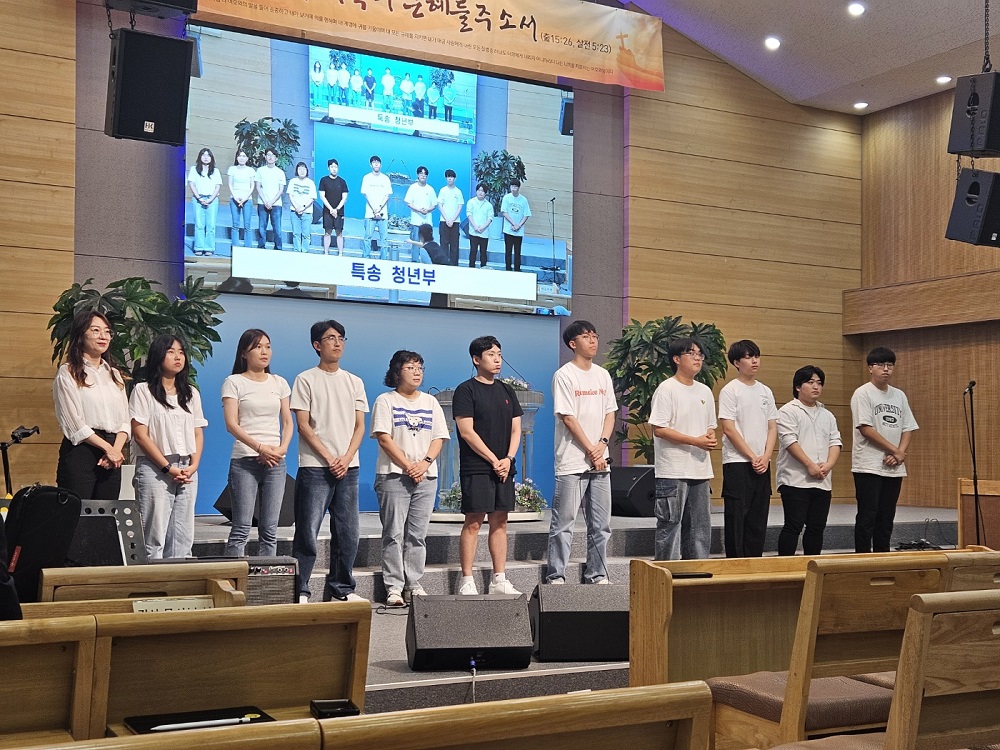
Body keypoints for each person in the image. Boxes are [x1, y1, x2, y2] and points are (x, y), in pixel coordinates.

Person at [291, 320, 369, 602]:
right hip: (315, 466)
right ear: (317, 345)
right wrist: (329, 457)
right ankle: (300, 589)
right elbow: (303, 425)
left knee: (348, 532)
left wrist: (345, 459)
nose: (337, 343)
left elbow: (360, 426)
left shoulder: (354, 381)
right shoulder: (305, 379)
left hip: (348, 467)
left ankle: (342, 588)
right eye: (330, 338)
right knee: (307, 532)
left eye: (341, 338)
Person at [371, 350, 449, 606]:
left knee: (417, 535)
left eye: (420, 368)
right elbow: (384, 438)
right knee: (393, 533)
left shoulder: (430, 402)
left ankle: (413, 583)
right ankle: (394, 587)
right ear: (397, 372)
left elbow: (439, 437)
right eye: (410, 367)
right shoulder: (386, 400)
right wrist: (408, 466)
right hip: (394, 476)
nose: (417, 372)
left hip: (426, 477)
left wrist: (424, 464)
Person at [545, 321, 617, 584]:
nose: (593, 340)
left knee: (601, 524)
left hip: (600, 461)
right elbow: (568, 418)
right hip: (572, 461)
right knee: (564, 523)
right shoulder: (564, 375)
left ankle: (597, 574)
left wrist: (602, 444)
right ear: (573, 343)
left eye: (595, 336)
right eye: (586, 337)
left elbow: (610, 413)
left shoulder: (603, 374)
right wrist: (591, 450)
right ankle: (556, 575)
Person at [453, 336, 523, 595]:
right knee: (474, 521)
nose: (497, 360)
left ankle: (499, 579)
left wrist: (508, 459)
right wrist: (494, 460)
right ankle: (467, 580)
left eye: (499, 355)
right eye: (491, 355)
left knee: (500, 521)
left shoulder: (507, 390)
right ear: (476, 359)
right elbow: (467, 432)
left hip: (504, 466)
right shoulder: (466, 390)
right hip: (478, 466)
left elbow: (516, 429)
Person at [129, 334, 206, 559]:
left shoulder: (191, 393)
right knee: (153, 538)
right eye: (171, 352)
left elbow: (197, 432)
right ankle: (152, 580)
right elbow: (140, 435)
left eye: (181, 352)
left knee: (182, 538)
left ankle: (179, 580)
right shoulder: (143, 391)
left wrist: (193, 466)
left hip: (187, 468)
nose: (178, 357)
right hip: (155, 468)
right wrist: (167, 468)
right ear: (158, 356)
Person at [221, 329, 293, 557]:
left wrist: (281, 449)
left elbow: (287, 422)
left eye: (268, 346)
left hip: (276, 462)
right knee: (241, 528)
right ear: (244, 353)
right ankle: (233, 576)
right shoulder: (234, 382)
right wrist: (260, 448)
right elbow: (231, 424)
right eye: (258, 347)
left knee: (270, 530)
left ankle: (267, 576)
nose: (264, 352)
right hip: (245, 461)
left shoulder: (279, 382)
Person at [648, 337, 717, 560]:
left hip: (700, 469)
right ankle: (665, 574)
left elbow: (710, 426)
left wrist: (709, 437)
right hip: (673, 470)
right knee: (670, 525)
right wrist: (696, 441)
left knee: (700, 528)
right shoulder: (666, 389)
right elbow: (659, 429)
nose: (698, 358)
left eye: (700, 354)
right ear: (676, 359)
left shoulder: (705, 391)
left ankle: (696, 574)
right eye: (691, 353)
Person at [53, 310, 129, 500]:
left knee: (106, 513)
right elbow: (74, 424)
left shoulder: (114, 374)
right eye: (95, 330)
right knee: (77, 511)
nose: (103, 336)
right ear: (81, 335)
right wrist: (108, 449)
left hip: (113, 450)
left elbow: (125, 421)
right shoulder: (68, 372)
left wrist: (115, 450)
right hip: (82, 449)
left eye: (107, 331)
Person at [851, 347, 919, 553]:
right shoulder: (862, 393)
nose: (886, 369)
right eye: (881, 365)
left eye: (890, 365)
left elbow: (908, 427)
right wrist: (895, 451)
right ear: (870, 368)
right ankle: (862, 558)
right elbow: (865, 429)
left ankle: (883, 557)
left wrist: (899, 453)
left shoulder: (899, 395)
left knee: (887, 516)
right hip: (868, 465)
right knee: (868, 515)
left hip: (893, 467)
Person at [717, 339, 778, 558]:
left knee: (758, 519)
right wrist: (752, 456)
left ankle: (755, 564)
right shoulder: (730, 390)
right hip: (737, 462)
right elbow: (729, 428)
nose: (754, 361)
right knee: (736, 518)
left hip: (762, 463)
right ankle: (735, 566)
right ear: (736, 362)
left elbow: (772, 427)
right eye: (748, 357)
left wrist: (766, 456)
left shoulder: (765, 391)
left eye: (757, 356)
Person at [776, 365, 842, 556]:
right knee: (793, 525)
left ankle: (812, 567)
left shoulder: (827, 414)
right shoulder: (788, 411)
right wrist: (810, 465)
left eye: (819, 383)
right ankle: (786, 568)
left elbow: (835, 441)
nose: (816, 387)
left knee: (817, 527)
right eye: (810, 382)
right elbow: (789, 441)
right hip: (795, 479)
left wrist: (828, 465)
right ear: (798, 386)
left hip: (822, 480)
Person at [188, 147, 222, 256]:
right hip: (198, 199)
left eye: (208, 155)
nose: (206, 157)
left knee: (211, 225)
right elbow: (192, 184)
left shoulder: (215, 171)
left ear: (211, 158)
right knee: (199, 224)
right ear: (200, 157)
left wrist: (210, 199)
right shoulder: (194, 169)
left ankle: (209, 248)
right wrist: (199, 198)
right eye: (204, 155)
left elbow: (218, 186)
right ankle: (199, 247)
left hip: (212, 199)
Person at [410, 223, 449, 309]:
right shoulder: (435, 245)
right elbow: (425, 245)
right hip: (446, 276)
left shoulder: (423, 250)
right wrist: (412, 242)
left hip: (438, 279)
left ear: (421, 236)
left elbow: (429, 268)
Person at [360, 154, 392, 258]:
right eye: (374, 162)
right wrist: (374, 208)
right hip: (370, 213)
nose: (376, 164)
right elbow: (366, 194)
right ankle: (366, 257)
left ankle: (383, 259)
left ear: (381, 165)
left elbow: (387, 195)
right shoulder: (366, 177)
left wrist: (379, 207)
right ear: (371, 165)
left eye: (378, 162)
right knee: (368, 237)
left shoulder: (385, 178)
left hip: (383, 214)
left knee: (384, 238)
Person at [255, 147, 286, 250]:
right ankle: (261, 247)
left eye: (273, 155)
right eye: (268, 155)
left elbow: (281, 190)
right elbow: (258, 187)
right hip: (262, 202)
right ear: (265, 156)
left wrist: (271, 202)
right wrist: (265, 201)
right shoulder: (260, 170)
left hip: (276, 204)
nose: (270, 157)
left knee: (277, 228)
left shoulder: (280, 172)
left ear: (276, 158)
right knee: (261, 227)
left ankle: (278, 248)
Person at [319, 158, 349, 255]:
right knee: (327, 232)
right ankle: (326, 253)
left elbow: (344, 198)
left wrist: (337, 209)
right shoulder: (324, 180)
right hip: (327, 211)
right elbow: (322, 196)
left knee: (339, 232)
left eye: (336, 167)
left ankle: (340, 253)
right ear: (328, 168)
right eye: (332, 167)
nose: (334, 169)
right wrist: (331, 209)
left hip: (339, 212)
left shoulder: (342, 181)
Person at [500, 179, 531, 271]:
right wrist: (513, 224)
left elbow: (526, 214)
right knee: (508, 251)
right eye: (512, 187)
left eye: (515, 187)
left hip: (519, 231)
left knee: (517, 252)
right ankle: (508, 270)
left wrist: (519, 225)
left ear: (518, 188)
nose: (513, 189)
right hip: (508, 229)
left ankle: (517, 270)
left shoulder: (523, 200)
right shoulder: (506, 198)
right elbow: (504, 212)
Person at [287, 161, 317, 253]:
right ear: (297, 170)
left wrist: (303, 207)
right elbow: (290, 195)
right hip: (294, 211)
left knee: (306, 234)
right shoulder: (293, 181)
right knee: (296, 233)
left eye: (304, 169)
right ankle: (297, 251)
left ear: (307, 171)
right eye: (300, 169)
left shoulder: (311, 183)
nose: (302, 171)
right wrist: (296, 207)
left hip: (307, 212)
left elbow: (312, 198)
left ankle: (305, 251)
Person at [228, 149, 256, 248]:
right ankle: (235, 247)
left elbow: (252, 186)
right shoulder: (232, 169)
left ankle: (248, 248)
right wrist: (235, 197)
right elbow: (230, 184)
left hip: (247, 199)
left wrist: (245, 198)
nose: (242, 158)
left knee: (247, 225)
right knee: (235, 225)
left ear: (247, 158)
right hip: (234, 199)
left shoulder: (251, 170)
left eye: (244, 156)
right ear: (237, 157)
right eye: (240, 156)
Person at [437, 168, 464, 265]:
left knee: (454, 246)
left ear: (455, 179)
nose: (450, 179)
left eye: (452, 177)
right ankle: (443, 265)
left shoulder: (458, 192)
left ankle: (454, 266)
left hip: (455, 222)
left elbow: (460, 206)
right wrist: (447, 219)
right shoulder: (443, 190)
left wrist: (452, 219)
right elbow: (440, 205)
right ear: (446, 178)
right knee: (443, 245)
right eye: (448, 177)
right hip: (444, 221)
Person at [404, 166, 436, 245]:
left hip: (427, 223)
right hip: (415, 222)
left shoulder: (430, 189)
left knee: (428, 246)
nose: (423, 175)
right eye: (421, 173)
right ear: (418, 175)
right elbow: (408, 203)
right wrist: (419, 210)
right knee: (415, 245)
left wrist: (427, 210)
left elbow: (434, 205)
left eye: (425, 174)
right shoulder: (412, 187)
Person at [465, 183, 494, 268]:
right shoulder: (471, 202)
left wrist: (482, 227)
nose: (480, 192)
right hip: (473, 231)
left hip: (484, 233)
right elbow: (469, 214)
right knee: (473, 251)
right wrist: (475, 226)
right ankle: (471, 269)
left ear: (485, 193)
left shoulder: (489, 205)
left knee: (483, 253)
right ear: (476, 191)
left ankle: (483, 269)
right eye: (479, 190)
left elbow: (490, 218)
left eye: (482, 191)